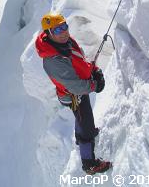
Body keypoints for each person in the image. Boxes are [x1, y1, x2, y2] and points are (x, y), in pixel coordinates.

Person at [35, 12, 112, 175]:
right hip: (73, 95)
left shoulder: (64, 43)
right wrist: (95, 85)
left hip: (78, 88)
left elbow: (79, 63)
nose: (63, 32)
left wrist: (93, 70)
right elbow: (75, 86)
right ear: (48, 34)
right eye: (57, 30)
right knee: (86, 124)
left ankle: (82, 136)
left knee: (82, 119)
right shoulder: (53, 60)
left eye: (64, 27)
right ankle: (89, 164)